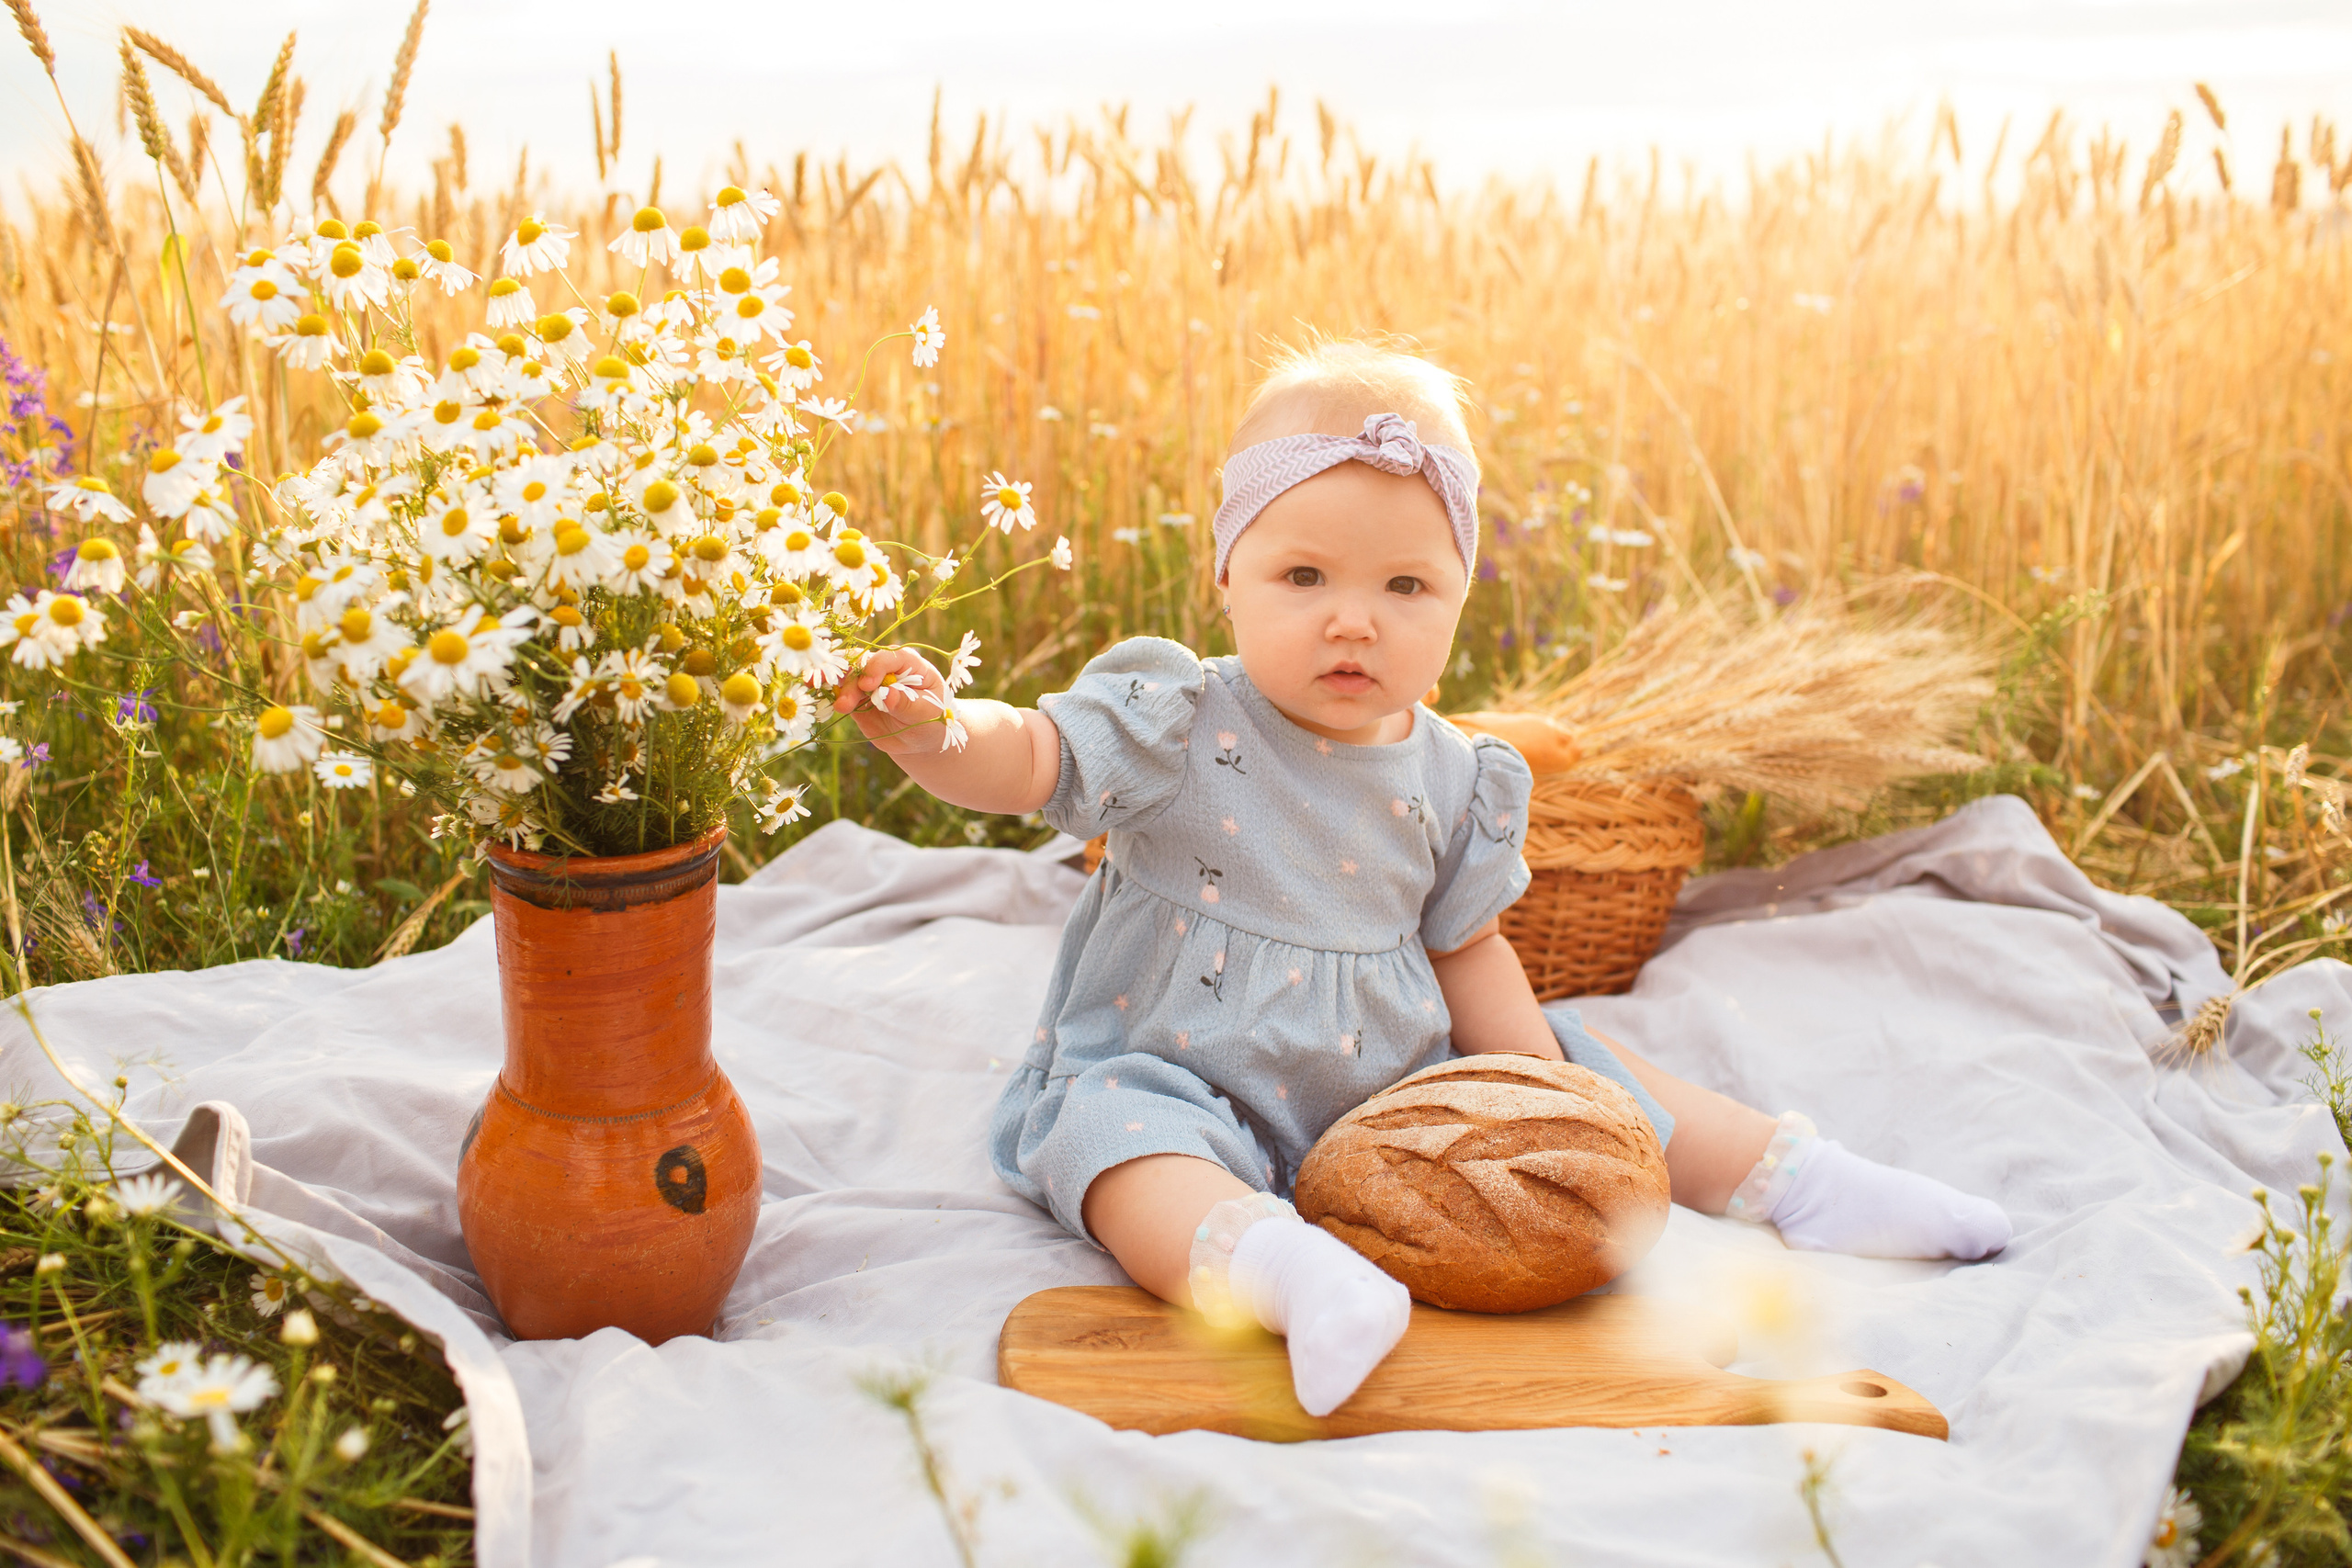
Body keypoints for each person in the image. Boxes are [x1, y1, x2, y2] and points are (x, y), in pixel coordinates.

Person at [835, 339, 2011, 1417]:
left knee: (1602, 1075)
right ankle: (1277, 1269)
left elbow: (1464, 949)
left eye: (1406, 589)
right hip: (1174, 1065)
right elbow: (1033, 757)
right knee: (1107, 1142)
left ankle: (1796, 1181)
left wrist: (1537, 1098)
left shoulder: (1456, 774)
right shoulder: (1178, 716)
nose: (1355, 622)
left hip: (1392, 1086)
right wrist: (940, 733)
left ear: (1457, 600)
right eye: (1304, 578)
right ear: (1227, 577)